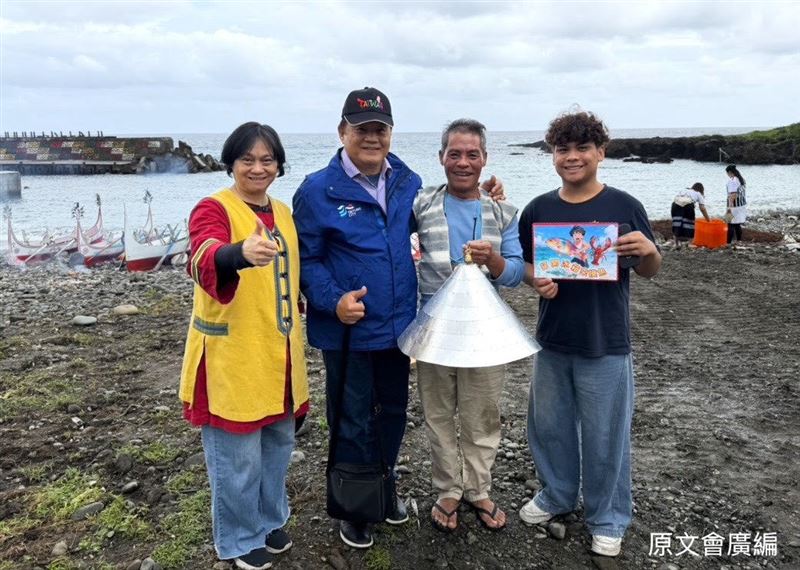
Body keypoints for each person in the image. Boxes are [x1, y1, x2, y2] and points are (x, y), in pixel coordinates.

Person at [292, 87, 503, 549]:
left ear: (390, 133)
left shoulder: (407, 181)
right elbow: (305, 259)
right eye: (361, 128)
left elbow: (436, 219)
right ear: (342, 131)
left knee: (391, 414)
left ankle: (383, 490)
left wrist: (483, 200)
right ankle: (354, 509)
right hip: (347, 329)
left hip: (399, 328)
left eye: (380, 129)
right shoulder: (315, 189)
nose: (371, 136)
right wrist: (332, 300)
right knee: (351, 418)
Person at [517, 110, 662, 558]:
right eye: (563, 149)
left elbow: (651, 269)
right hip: (552, 339)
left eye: (583, 148)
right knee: (550, 427)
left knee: (606, 434)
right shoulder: (539, 209)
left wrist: (650, 251)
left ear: (601, 152)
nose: (573, 157)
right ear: (553, 155)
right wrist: (534, 279)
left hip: (606, 342)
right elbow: (528, 264)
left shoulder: (624, 206)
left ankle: (608, 516)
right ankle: (557, 494)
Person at [179, 122, 309, 570]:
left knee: (276, 448)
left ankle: (270, 520)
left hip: (280, 355)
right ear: (231, 163)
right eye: (247, 159)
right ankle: (237, 537)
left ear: (278, 165)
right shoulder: (212, 207)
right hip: (231, 357)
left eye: (267, 159)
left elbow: (295, 275)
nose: (258, 168)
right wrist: (238, 254)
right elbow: (201, 253)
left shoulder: (285, 213)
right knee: (236, 459)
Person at [413, 119, 523, 532]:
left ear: (484, 159)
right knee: (438, 413)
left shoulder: (502, 210)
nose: (463, 162)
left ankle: (478, 489)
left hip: (486, 333)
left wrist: (493, 260)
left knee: (482, 414)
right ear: (441, 158)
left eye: (471, 154)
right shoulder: (420, 204)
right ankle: (447, 489)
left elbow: (514, 272)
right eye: (454, 154)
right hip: (434, 329)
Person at [671, 182, 710, 248]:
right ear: (701, 190)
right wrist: (708, 219)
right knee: (690, 224)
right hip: (688, 205)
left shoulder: (684, 190)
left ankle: (676, 243)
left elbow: (676, 197)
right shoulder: (698, 194)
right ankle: (690, 243)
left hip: (675, 205)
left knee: (677, 223)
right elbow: (702, 208)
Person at [725, 164, 747, 243]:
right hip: (741, 204)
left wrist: (729, 208)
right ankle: (739, 240)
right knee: (737, 224)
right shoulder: (741, 179)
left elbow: (733, 194)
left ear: (730, 172)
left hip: (734, 205)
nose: (727, 175)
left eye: (727, 173)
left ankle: (728, 242)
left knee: (730, 223)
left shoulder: (732, 180)